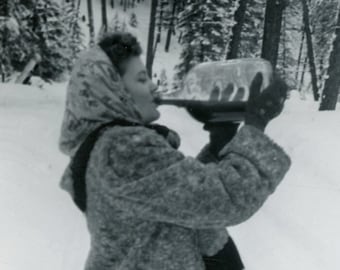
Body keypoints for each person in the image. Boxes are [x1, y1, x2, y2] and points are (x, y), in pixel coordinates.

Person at [58, 32, 291, 270]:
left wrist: (220, 142)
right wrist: (256, 126)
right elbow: (222, 200)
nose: (152, 86)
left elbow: (177, 197)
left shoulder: (107, 146)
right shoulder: (122, 149)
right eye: (140, 79)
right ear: (112, 94)